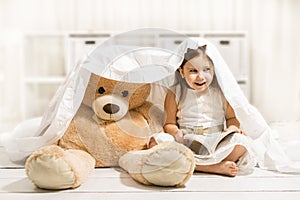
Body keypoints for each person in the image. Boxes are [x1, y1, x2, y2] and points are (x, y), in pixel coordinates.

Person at [149, 45, 256, 177]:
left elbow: (232, 119)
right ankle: (213, 167)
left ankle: (192, 165)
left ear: (214, 70)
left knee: (242, 141)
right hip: (187, 142)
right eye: (193, 70)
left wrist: (232, 128)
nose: (200, 76)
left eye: (206, 69)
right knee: (156, 141)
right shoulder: (175, 92)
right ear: (181, 71)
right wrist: (176, 132)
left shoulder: (221, 93)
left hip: (215, 143)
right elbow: (169, 124)